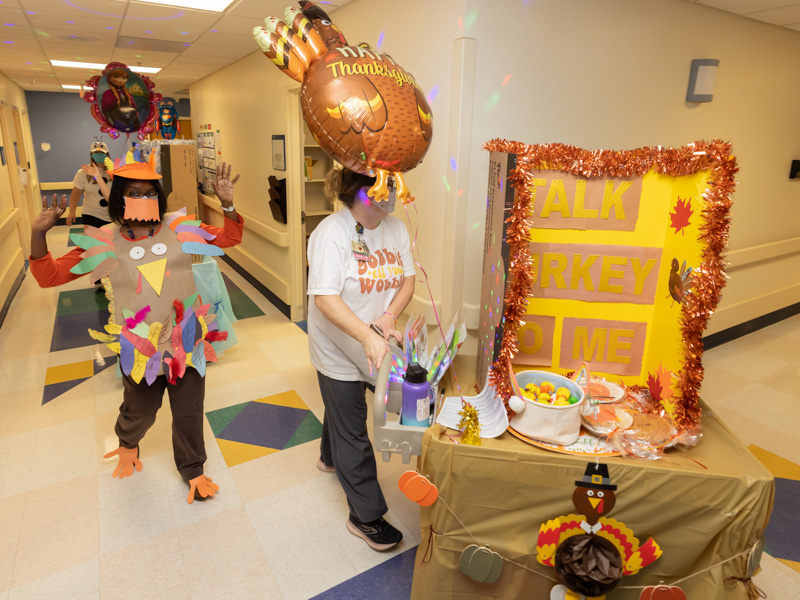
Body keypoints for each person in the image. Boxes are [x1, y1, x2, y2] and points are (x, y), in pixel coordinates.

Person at [29, 150, 243, 504]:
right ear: (119, 198)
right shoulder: (104, 241)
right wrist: (38, 235)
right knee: (140, 409)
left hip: (185, 340)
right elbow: (48, 276)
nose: (143, 200)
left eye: (149, 193)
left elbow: (228, 238)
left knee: (189, 410)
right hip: (140, 348)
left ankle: (193, 469)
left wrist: (229, 207)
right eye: (134, 193)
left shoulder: (179, 228)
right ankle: (128, 442)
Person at [307, 167, 416, 551]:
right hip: (336, 343)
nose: (395, 195)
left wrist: (388, 316)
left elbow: (407, 279)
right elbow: (325, 299)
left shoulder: (395, 227)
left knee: (342, 410)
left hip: (373, 339)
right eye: (388, 187)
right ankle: (365, 516)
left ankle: (327, 456)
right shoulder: (330, 235)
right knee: (353, 425)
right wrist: (365, 335)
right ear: (364, 192)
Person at [66, 141, 112, 229]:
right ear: (91, 154)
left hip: (112, 215)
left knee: (111, 241)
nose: (99, 155)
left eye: (101, 153)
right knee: (94, 242)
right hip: (91, 214)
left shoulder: (114, 171)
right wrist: (72, 211)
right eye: (96, 153)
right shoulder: (83, 172)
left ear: (107, 154)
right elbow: (76, 193)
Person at [101, 68, 140, 132]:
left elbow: (134, 108)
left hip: (130, 119)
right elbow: (106, 110)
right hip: (117, 118)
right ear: (109, 79)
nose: (120, 80)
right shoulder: (107, 93)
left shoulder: (127, 93)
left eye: (124, 78)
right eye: (116, 77)